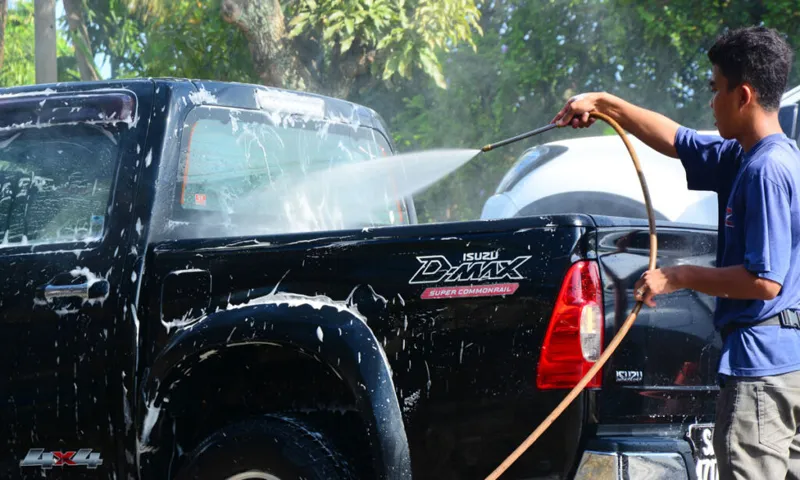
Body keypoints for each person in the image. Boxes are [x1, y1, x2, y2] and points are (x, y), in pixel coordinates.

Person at [552, 26, 800, 479]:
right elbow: (677, 139)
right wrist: (604, 103)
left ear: (742, 95)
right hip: (787, 364)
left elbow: (765, 281)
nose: (711, 102)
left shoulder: (765, 170)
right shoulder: (751, 157)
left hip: (761, 372)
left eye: (715, 89)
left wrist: (677, 275)